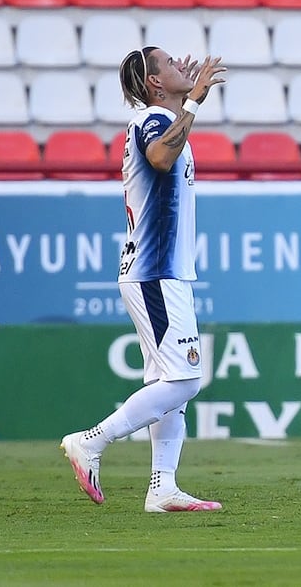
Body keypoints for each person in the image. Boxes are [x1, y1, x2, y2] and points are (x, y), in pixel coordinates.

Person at [60, 47, 226, 513]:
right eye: (170, 64)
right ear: (154, 83)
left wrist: (185, 103)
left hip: (161, 270)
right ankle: (92, 441)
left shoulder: (164, 117)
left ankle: (162, 487)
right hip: (155, 271)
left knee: (168, 383)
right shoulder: (150, 120)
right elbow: (158, 158)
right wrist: (190, 101)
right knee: (187, 379)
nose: (181, 67)